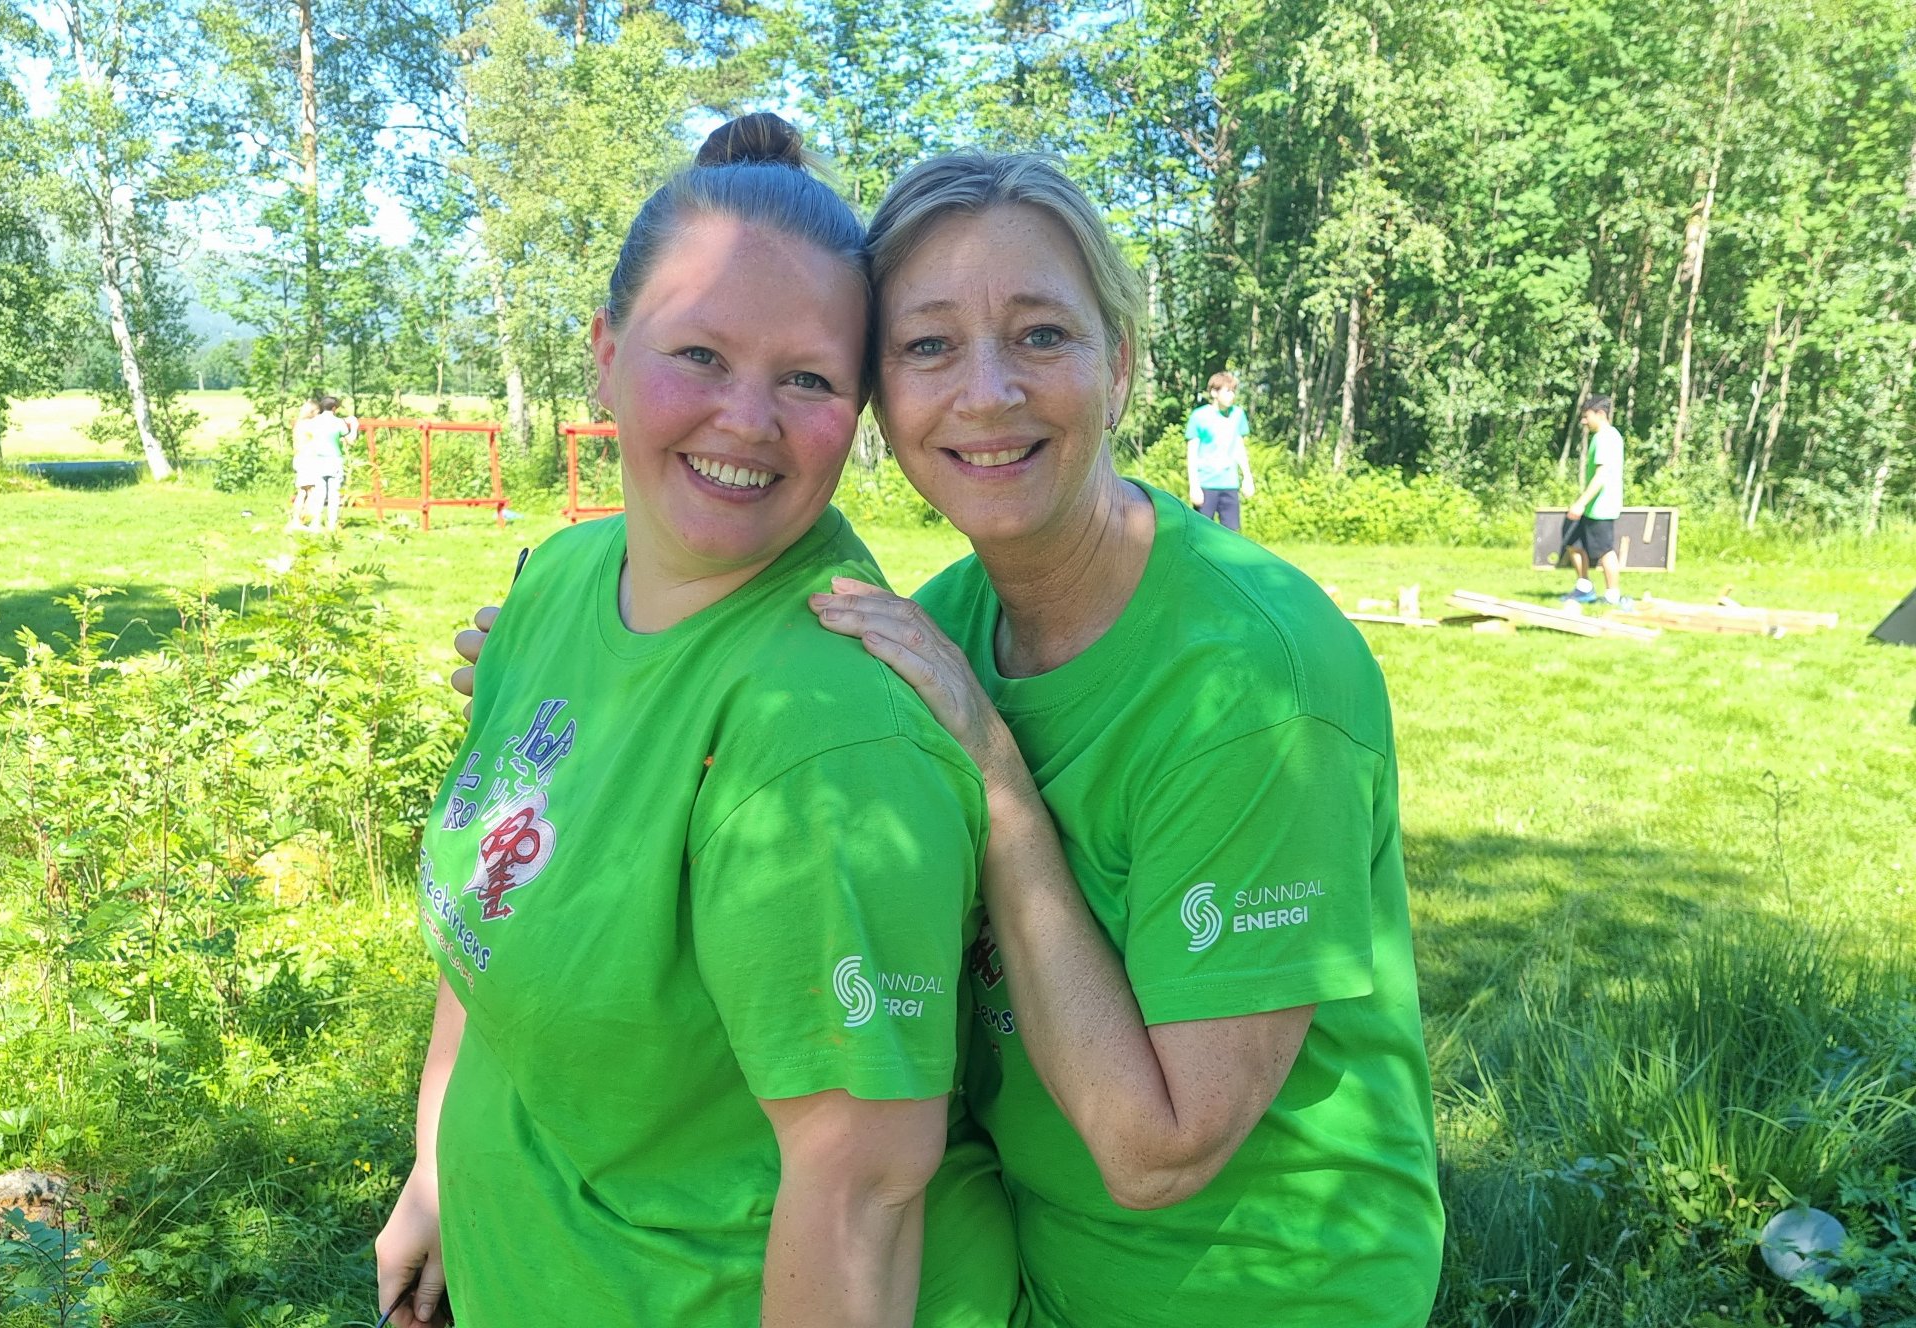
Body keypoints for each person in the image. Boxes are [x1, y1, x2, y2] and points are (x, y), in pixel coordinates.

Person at [454, 152, 1444, 1325]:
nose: (984, 392)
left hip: (1259, 1286)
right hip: (1033, 1255)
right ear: (879, 402)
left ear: (1119, 365)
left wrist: (1001, 789)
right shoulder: (945, 618)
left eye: (1038, 336)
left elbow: (1159, 1148)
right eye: (926, 346)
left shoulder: (1252, 688)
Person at [375, 114, 1021, 1328]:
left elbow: (862, 1189)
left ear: (861, 410)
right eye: (702, 355)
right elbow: (506, 905)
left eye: (809, 378)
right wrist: (436, 1167)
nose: (748, 419)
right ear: (605, 350)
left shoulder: (822, 736)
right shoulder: (563, 584)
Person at [1561, 394, 1631, 609]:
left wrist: (1581, 503)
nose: (1583, 421)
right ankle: (1584, 588)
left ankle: (1612, 595)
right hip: (1594, 506)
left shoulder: (1605, 438)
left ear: (1600, 414)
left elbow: (1601, 476)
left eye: (1586, 416)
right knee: (1574, 543)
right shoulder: (1608, 436)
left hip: (1601, 507)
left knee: (1604, 550)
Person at [1184, 370, 1252, 531]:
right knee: (1201, 535)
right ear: (1214, 392)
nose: (1232, 395)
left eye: (1234, 391)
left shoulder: (1238, 415)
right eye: (1228, 391)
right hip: (1206, 484)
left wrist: (1248, 477)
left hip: (1230, 484)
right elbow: (1192, 454)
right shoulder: (1199, 416)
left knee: (1231, 536)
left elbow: (1239, 448)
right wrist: (1194, 486)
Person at [311, 394, 354, 532]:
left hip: (318, 459)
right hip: (334, 459)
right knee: (334, 494)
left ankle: (316, 523)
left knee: (319, 493)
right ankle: (331, 524)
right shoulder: (338, 422)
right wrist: (354, 425)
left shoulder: (315, 421)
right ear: (334, 408)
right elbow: (350, 439)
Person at [288, 398, 322, 532]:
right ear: (313, 412)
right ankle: (312, 522)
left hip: (300, 458)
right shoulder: (310, 425)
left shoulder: (299, 424)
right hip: (309, 459)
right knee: (313, 492)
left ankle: (296, 520)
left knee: (302, 491)